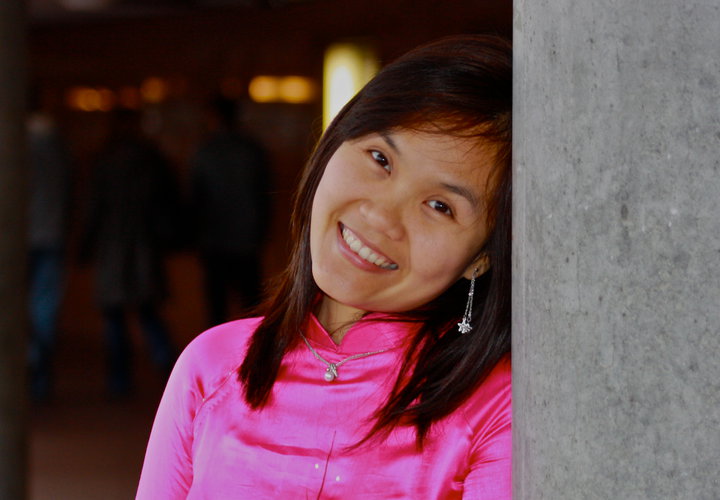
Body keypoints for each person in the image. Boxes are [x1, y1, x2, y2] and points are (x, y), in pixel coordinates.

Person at [137, 34, 511, 498]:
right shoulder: (211, 369)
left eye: (440, 206)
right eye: (380, 159)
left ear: (481, 257)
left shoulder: (498, 407)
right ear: (333, 145)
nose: (379, 216)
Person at [81, 109, 179, 395]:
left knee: (114, 316)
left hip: (112, 246)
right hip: (144, 245)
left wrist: (86, 244)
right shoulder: (151, 160)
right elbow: (168, 204)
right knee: (148, 312)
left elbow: (93, 208)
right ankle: (168, 368)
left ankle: (119, 380)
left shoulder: (104, 161)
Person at [190, 96, 271, 326]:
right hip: (247, 238)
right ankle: (256, 347)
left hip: (214, 238)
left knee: (216, 309)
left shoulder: (205, 151)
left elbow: (197, 197)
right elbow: (264, 194)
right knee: (251, 307)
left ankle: (218, 347)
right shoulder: (252, 150)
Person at [26, 104, 72, 401]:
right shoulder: (59, 147)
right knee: (45, 309)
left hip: (17, 237)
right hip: (52, 234)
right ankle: (39, 380)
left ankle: (29, 369)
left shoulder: (14, 143)